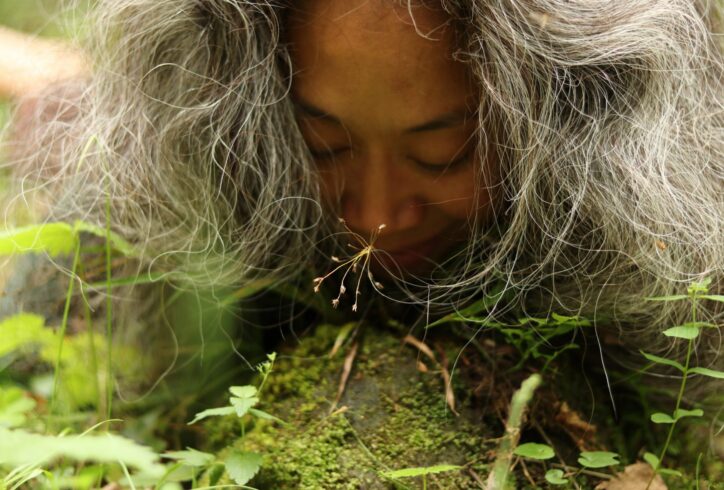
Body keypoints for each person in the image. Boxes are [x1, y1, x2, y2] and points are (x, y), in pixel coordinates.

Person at [4, 0, 723, 386]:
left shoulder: (661, 231)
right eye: (324, 147)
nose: (376, 217)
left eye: (444, 153)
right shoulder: (158, 180)